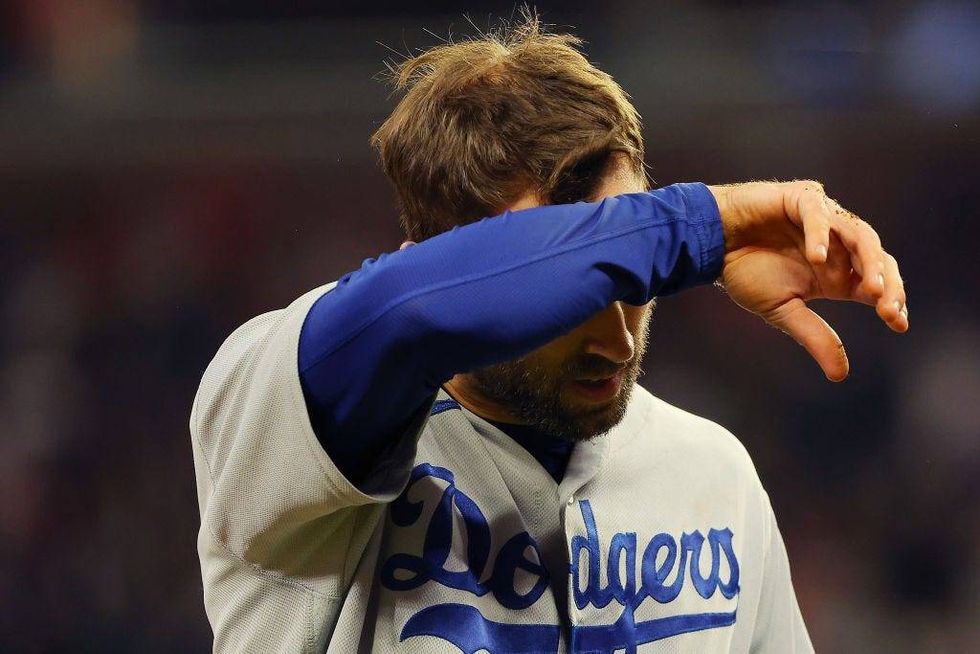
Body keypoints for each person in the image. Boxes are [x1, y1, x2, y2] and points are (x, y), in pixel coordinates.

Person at [190, 18, 907, 653]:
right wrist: (698, 229)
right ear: (437, 256)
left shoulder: (714, 475)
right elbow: (406, 311)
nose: (619, 343)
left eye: (633, 282)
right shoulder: (282, 422)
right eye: (574, 294)